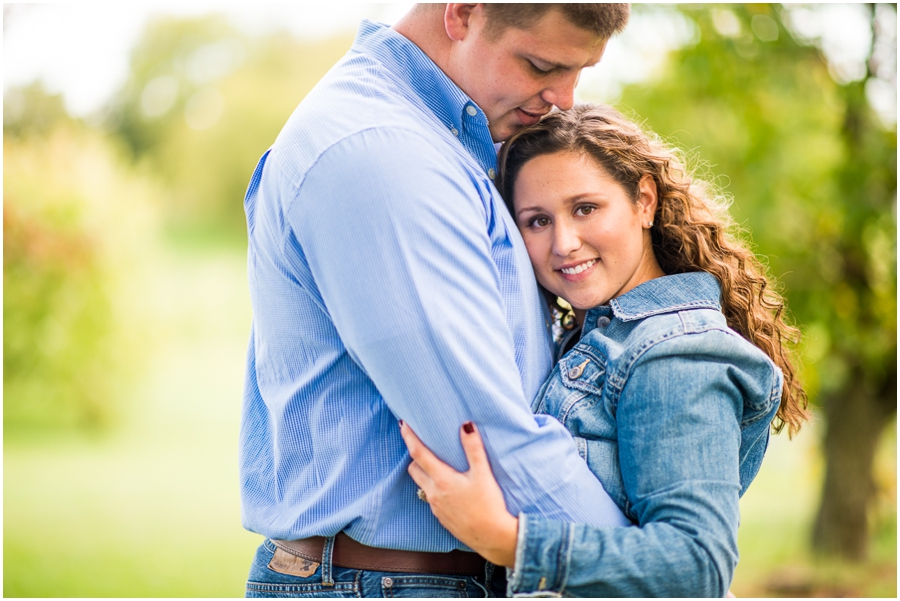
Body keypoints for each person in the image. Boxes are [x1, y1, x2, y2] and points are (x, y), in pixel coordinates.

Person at [240, 5, 632, 598]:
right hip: (381, 581)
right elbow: (487, 440)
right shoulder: (377, 153)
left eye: (580, 71)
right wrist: (668, 574)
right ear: (463, 13)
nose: (564, 99)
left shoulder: (439, 142)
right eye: (541, 65)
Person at [400, 103, 810, 597]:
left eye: (585, 208)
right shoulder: (593, 336)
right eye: (536, 221)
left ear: (644, 202)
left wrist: (506, 540)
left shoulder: (675, 356)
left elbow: (695, 567)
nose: (564, 242)